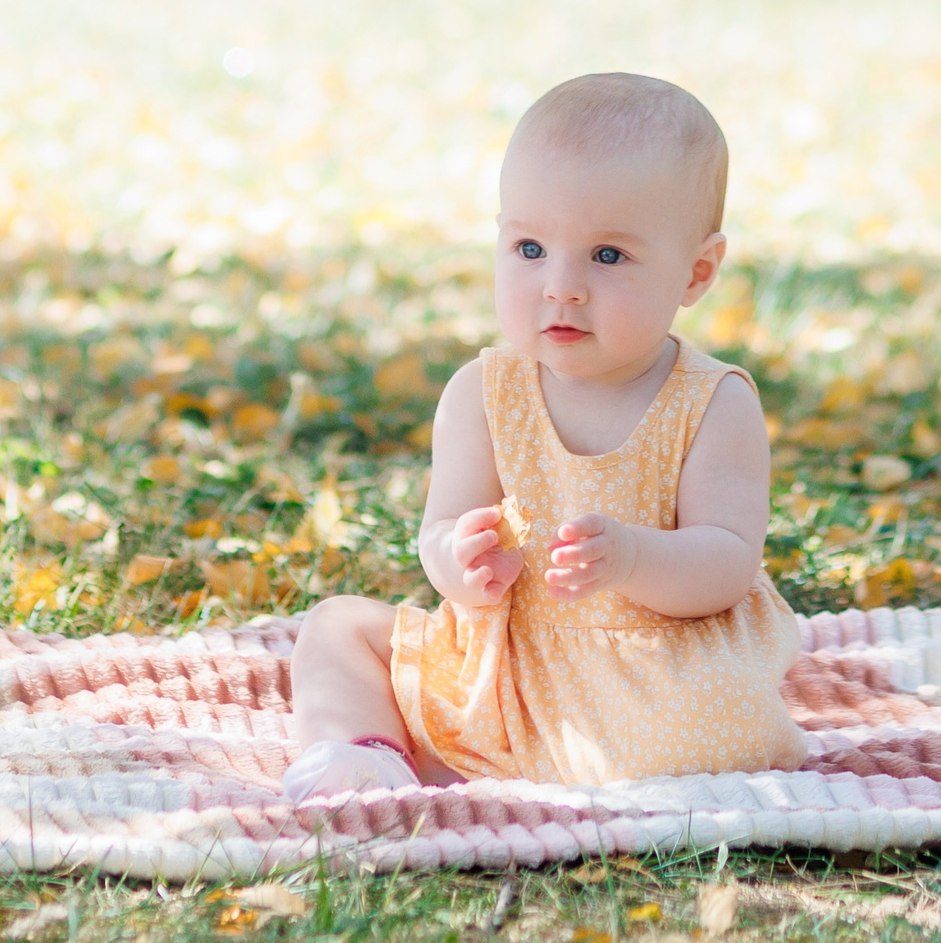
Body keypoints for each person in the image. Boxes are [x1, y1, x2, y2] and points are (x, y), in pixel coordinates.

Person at [283, 73, 805, 800]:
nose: (562, 285)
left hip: (657, 682)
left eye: (608, 256)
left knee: (710, 729)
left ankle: (586, 765)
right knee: (336, 626)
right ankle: (367, 760)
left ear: (698, 270)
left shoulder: (711, 402)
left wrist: (631, 555)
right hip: (501, 673)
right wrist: (458, 559)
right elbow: (439, 531)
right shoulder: (482, 394)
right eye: (530, 248)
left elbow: (726, 564)